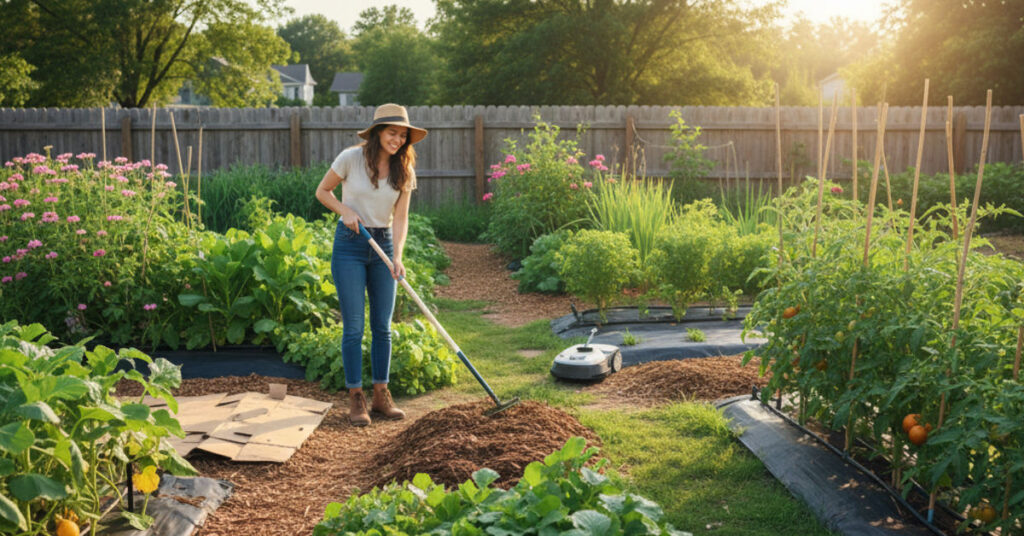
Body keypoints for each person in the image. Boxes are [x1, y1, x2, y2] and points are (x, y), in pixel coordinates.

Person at [315, 103, 427, 426]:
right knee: (353, 327)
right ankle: (356, 398)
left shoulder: (404, 169)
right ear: (378, 132)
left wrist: (398, 256)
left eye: (403, 135)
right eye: (393, 133)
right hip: (350, 245)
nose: (398, 140)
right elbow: (323, 191)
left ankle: (381, 395)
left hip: (383, 246)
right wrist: (344, 211)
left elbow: (401, 217)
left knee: (382, 326)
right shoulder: (350, 158)